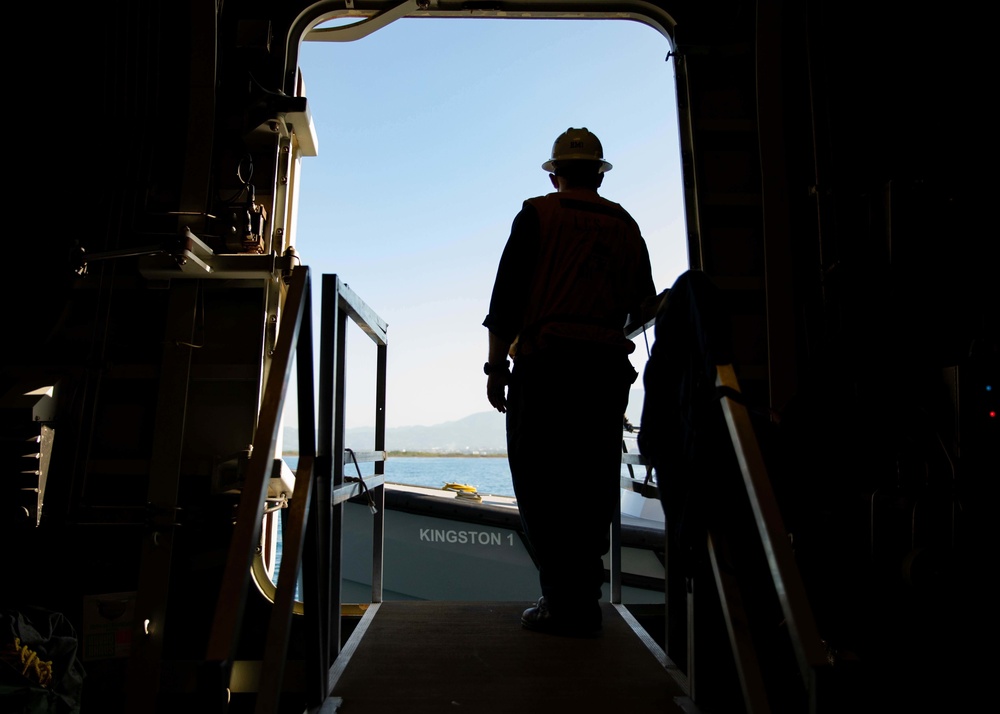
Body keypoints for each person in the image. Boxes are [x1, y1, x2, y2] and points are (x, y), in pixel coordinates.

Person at [482, 127, 657, 637]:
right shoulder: (624, 224)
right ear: (598, 175)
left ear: (556, 174)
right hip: (604, 375)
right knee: (590, 484)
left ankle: (563, 601)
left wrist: (497, 370)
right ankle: (583, 599)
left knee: (540, 485)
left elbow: (505, 303)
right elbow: (643, 308)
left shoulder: (537, 215)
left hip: (547, 368)